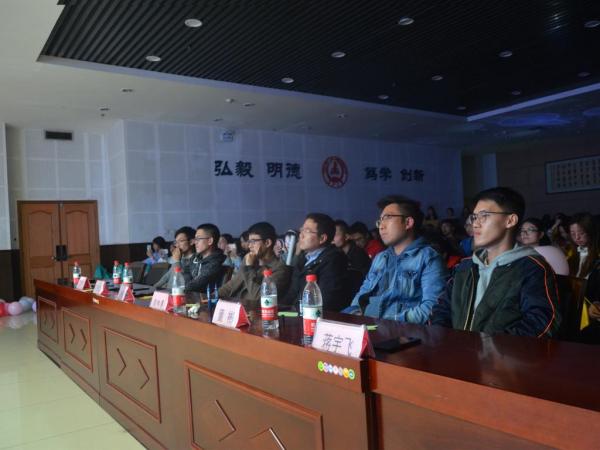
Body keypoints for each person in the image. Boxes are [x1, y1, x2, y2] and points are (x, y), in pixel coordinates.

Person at [431, 187, 560, 337]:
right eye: (474, 217)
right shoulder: (465, 267)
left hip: (501, 351)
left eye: (484, 216)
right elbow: (441, 310)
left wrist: (489, 345)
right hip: (457, 348)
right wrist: (446, 341)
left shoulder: (531, 268)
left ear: (510, 220)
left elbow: (541, 321)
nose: (475, 224)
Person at [343, 196, 447, 323]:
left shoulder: (428, 257)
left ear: (408, 222)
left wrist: (383, 322)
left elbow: (431, 308)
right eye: (380, 221)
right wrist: (354, 313)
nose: (381, 226)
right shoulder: (380, 258)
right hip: (370, 326)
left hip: (400, 330)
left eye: (387, 218)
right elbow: (362, 294)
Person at [283, 213, 349, 311]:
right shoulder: (303, 259)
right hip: (297, 313)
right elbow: (292, 293)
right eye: (302, 230)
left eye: (307, 231)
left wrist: (293, 312)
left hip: (314, 315)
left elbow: (325, 301)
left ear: (322, 238)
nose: (301, 235)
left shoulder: (334, 260)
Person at [218, 222, 291, 305]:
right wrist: (213, 296)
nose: (249, 246)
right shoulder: (248, 259)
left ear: (267, 243)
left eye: (253, 242)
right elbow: (233, 284)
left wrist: (249, 268)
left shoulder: (280, 269)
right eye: (249, 242)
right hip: (236, 305)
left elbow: (261, 299)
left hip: (254, 310)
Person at [185, 224, 226, 293]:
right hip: (191, 295)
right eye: (195, 239)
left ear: (210, 241)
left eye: (198, 239)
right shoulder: (195, 257)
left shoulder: (216, 262)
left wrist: (180, 287)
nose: (195, 242)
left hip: (205, 298)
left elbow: (194, 286)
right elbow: (185, 272)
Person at [568, 213, 599, 279]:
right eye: (573, 234)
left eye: (581, 233)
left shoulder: (597, 256)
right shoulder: (570, 254)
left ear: (591, 232)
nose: (577, 237)